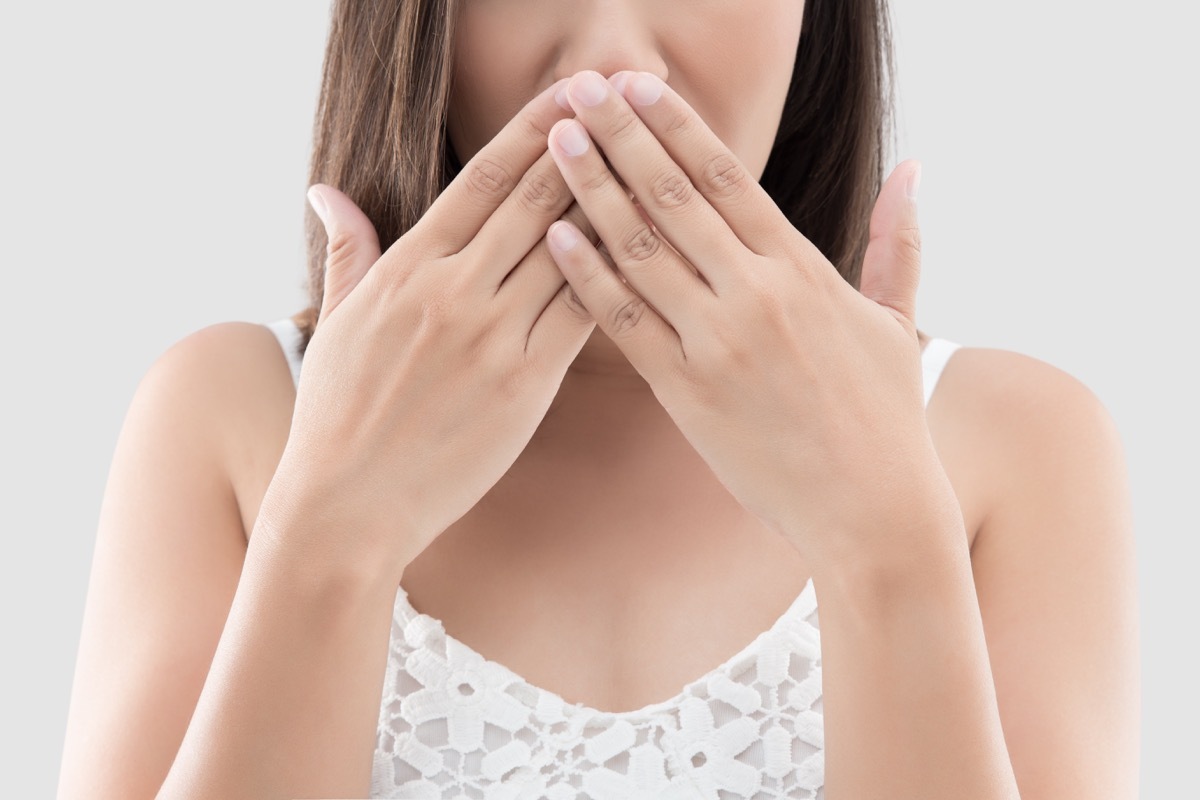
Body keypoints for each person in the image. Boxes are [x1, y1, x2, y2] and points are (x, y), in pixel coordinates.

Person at [57, 1, 1140, 798]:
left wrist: (889, 545)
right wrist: (331, 532)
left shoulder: (1016, 445)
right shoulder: (228, 415)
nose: (620, 63)